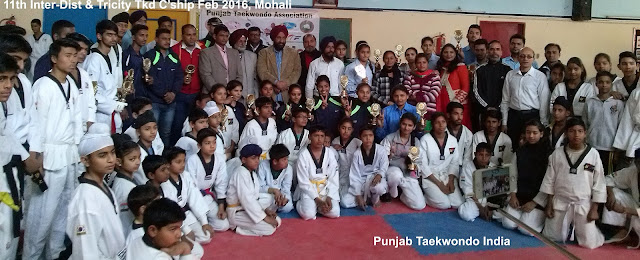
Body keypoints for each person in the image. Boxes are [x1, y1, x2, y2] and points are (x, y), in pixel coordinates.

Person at [25, 39, 83, 260]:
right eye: (67, 55)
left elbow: (77, 121)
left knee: (63, 212)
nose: (72, 60)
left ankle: (55, 254)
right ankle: (32, 255)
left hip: (69, 154)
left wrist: (78, 151)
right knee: (41, 216)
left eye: (74, 55)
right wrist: (36, 156)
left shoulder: (71, 84)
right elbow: (36, 125)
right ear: (54, 58)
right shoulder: (42, 85)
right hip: (48, 155)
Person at [539, 117, 606, 249]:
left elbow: (599, 183)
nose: (576, 135)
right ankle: (570, 229)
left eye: (580, 131)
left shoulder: (593, 155)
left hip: (583, 204)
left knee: (589, 244)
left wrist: (594, 209)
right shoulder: (557, 154)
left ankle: (588, 231)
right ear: (566, 133)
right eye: (572, 131)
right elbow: (549, 180)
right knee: (550, 237)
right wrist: (549, 204)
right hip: (560, 202)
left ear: (585, 133)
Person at [66, 123, 125, 259]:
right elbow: (85, 250)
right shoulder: (85, 200)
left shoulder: (102, 185)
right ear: (85, 160)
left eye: (112, 152)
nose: (111, 160)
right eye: (102, 155)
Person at [0, 53, 31, 260]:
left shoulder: (6, 103)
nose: (8, 85)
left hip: (7, 178)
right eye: (2, 79)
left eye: (11, 79)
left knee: (7, 240)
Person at [502, 120, 549, 234]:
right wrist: (513, 196)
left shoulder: (548, 154)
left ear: (541, 134)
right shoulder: (519, 152)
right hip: (519, 196)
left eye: (535, 133)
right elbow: (512, 175)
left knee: (525, 230)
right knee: (508, 224)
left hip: (537, 199)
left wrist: (534, 202)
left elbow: (549, 182)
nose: (531, 136)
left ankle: (537, 218)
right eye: (528, 132)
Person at [161, 147, 214, 244]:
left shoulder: (186, 175)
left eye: (184, 161)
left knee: (206, 237)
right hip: (173, 219)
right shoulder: (164, 182)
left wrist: (204, 222)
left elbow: (195, 198)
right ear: (168, 164)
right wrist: (186, 230)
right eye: (178, 162)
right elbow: (169, 209)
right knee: (188, 239)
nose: (182, 165)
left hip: (186, 214)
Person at [226, 144, 282, 236]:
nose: (257, 161)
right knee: (269, 229)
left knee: (277, 221)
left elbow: (254, 197)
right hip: (236, 212)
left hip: (245, 209)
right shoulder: (240, 173)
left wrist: (265, 210)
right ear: (244, 160)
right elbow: (247, 200)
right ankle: (237, 229)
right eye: (253, 158)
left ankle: (251, 222)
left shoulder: (252, 173)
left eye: (258, 158)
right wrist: (264, 217)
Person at [501, 47, 550, 150]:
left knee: (532, 147)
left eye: (529, 57)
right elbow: (505, 100)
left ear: (533, 59)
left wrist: (543, 123)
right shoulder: (510, 75)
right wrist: (504, 122)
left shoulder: (540, 76)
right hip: (514, 116)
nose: (525, 59)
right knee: (514, 146)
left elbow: (544, 101)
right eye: (522, 56)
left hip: (532, 116)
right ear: (518, 58)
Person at [84, 20, 127, 134]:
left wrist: (119, 91)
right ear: (99, 36)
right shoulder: (94, 59)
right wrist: (113, 105)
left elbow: (107, 85)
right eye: (109, 34)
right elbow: (92, 92)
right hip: (100, 114)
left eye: (115, 35)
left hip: (112, 112)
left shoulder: (109, 57)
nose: (113, 38)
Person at [184, 128, 230, 231]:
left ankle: (205, 222)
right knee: (201, 229)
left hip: (208, 197)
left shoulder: (219, 160)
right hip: (194, 199)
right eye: (207, 143)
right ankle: (201, 222)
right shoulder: (192, 160)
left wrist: (221, 206)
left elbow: (221, 183)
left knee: (224, 225)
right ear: (199, 145)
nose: (212, 146)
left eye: (214, 142)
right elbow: (191, 187)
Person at [143, 28, 183, 145]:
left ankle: (164, 159)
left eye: (168, 39)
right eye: (163, 39)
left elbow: (179, 77)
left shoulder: (174, 57)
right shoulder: (149, 55)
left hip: (170, 102)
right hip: (155, 101)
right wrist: (164, 93)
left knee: (166, 133)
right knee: (152, 133)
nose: (166, 41)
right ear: (156, 39)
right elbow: (150, 79)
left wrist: (173, 93)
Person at [125, 198, 196, 259]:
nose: (179, 234)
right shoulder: (159, 258)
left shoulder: (135, 242)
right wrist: (186, 250)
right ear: (153, 230)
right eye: (173, 229)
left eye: (179, 228)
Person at [295, 126, 341, 220]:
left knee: (334, 212)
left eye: (322, 136)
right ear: (309, 137)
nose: (319, 139)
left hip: (325, 187)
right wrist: (317, 199)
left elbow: (334, 177)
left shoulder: (330, 153)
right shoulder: (303, 155)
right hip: (309, 188)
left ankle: (320, 208)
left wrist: (329, 197)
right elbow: (303, 181)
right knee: (308, 215)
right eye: (316, 136)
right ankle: (299, 203)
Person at [419, 112, 464, 209]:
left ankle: (439, 193)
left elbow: (455, 162)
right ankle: (426, 197)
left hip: (447, 175)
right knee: (444, 204)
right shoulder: (425, 140)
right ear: (432, 124)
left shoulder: (452, 140)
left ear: (446, 123)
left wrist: (451, 181)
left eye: (443, 122)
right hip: (431, 177)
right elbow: (423, 165)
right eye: (437, 122)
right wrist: (439, 185)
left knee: (458, 204)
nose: (441, 125)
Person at [584, 71, 625, 176]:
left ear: (611, 84)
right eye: (601, 82)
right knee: (591, 174)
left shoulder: (618, 104)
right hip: (592, 146)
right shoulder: (590, 102)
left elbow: (621, 126)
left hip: (610, 147)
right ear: (596, 84)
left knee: (607, 176)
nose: (604, 85)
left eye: (607, 82)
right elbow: (585, 123)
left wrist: (617, 149)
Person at [382, 113, 426, 210]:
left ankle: (403, 196)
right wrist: (390, 155)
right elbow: (381, 160)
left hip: (408, 173)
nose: (406, 128)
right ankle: (390, 191)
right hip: (392, 171)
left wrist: (415, 167)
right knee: (396, 175)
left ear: (414, 127)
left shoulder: (416, 142)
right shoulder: (390, 138)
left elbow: (419, 162)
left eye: (410, 125)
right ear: (400, 124)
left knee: (419, 205)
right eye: (404, 124)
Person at [170, 24, 205, 145]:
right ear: (182, 35)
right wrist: (181, 80)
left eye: (194, 34)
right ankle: (176, 151)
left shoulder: (203, 49)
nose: (192, 38)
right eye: (188, 35)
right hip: (181, 93)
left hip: (197, 93)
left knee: (197, 125)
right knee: (178, 124)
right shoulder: (174, 50)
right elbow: (170, 72)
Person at [342, 126, 389, 209]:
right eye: (365, 136)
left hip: (375, 179)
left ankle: (375, 197)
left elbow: (384, 165)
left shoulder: (381, 150)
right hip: (362, 182)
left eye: (370, 135)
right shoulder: (357, 154)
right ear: (360, 138)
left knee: (379, 188)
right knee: (345, 202)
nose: (368, 138)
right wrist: (358, 195)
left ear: (373, 137)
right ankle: (366, 199)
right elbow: (354, 175)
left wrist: (380, 174)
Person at [471, 40, 511, 132]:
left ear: (501, 52)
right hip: (484, 111)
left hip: (502, 111)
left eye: (497, 49)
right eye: (492, 49)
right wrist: (487, 106)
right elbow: (476, 91)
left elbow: (509, 92)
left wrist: (498, 106)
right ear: (488, 51)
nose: (494, 52)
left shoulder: (508, 70)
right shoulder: (480, 70)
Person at [257, 25, 301, 102]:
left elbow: (296, 72)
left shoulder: (293, 53)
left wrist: (285, 84)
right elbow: (262, 72)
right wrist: (275, 83)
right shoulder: (263, 53)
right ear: (273, 38)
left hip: (288, 94)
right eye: (278, 37)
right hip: (270, 95)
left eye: (284, 38)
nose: (281, 41)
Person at [65, 32, 97, 132]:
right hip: (67, 129)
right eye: (80, 49)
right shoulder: (59, 75)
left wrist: (90, 121)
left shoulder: (84, 74)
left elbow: (91, 101)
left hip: (85, 127)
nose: (83, 53)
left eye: (86, 50)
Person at [110, 134, 140, 236]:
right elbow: (124, 220)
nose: (137, 162)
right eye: (132, 159)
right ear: (118, 161)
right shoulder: (123, 188)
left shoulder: (130, 179)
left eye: (138, 157)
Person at [199, 25, 242, 94]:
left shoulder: (234, 52)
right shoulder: (206, 52)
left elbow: (239, 74)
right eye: (222, 35)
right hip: (212, 93)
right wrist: (219, 92)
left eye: (226, 36)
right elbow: (205, 75)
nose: (224, 38)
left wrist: (234, 90)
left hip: (231, 94)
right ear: (215, 36)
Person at [458, 142, 494, 222]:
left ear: (490, 156)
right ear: (475, 154)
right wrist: (480, 207)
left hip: (489, 200)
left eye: (487, 155)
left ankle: (489, 213)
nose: (484, 158)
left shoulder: (493, 167)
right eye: (481, 155)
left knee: (502, 214)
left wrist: (490, 207)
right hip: (474, 199)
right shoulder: (468, 167)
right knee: (466, 214)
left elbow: (496, 190)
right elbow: (467, 188)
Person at [437, 44, 471, 128]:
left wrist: (455, 103)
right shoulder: (441, 68)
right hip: (443, 103)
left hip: (458, 104)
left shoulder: (461, 67)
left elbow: (465, 87)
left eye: (451, 52)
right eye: (446, 52)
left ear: (456, 53)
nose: (448, 55)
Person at [331, 118, 362, 202]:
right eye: (343, 128)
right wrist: (332, 147)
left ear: (352, 130)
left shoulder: (357, 142)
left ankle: (362, 197)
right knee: (337, 198)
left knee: (344, 202)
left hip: (354, 174)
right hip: (340, 174)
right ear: (339, 128)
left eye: (349, 129)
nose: (346, 131)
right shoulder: (335, 141)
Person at [256, 144, 294, 213]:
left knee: (287, 207)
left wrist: (284, 199)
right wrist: (273, 190)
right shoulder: (263, 165)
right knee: (260, 200)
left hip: (280, 195)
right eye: (284, 159)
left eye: (287, 158)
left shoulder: (289, 169)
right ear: (275, 161)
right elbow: (259, 187)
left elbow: (286, 188)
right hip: (267, 194)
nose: (287, 162)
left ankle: (271, 208)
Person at [207, 84, 239, 159]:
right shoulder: (209, 111)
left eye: (225, 94)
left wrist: (232, 146)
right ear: (212, 95)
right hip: (215, 149)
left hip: (229, 147)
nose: (223, 96)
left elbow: (235, 128)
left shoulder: (229, 110)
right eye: (219, 94)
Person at [132, 110, 164, 184]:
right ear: (138, 132)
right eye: (147, 129)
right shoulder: (136, 151)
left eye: (155, 128)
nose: (152, 132)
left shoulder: (156, 147)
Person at [122, 24, 149, 106]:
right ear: (133, 37)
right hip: (129, 96)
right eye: (141, 35)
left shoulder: (143, 57)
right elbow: (122, 72)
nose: (144, 38)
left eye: (146, 36)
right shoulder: (126, 54)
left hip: (141, 95)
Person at [230, 29, 259, 100]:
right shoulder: (228, 55)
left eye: (244, 41)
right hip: (232, 96)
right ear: (234, 42)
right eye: (240, 41)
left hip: (249, 95)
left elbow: (255, 78)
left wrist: (256, 94)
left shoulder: (252, 56)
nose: (243, 43)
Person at [446, 102, 473, 168]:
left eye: (461, 114)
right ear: (448, 115)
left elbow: (467, 158)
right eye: (456, 114)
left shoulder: (468, 134)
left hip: (461, 168)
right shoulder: (443, 131)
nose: (459, 117)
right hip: (444, 167)